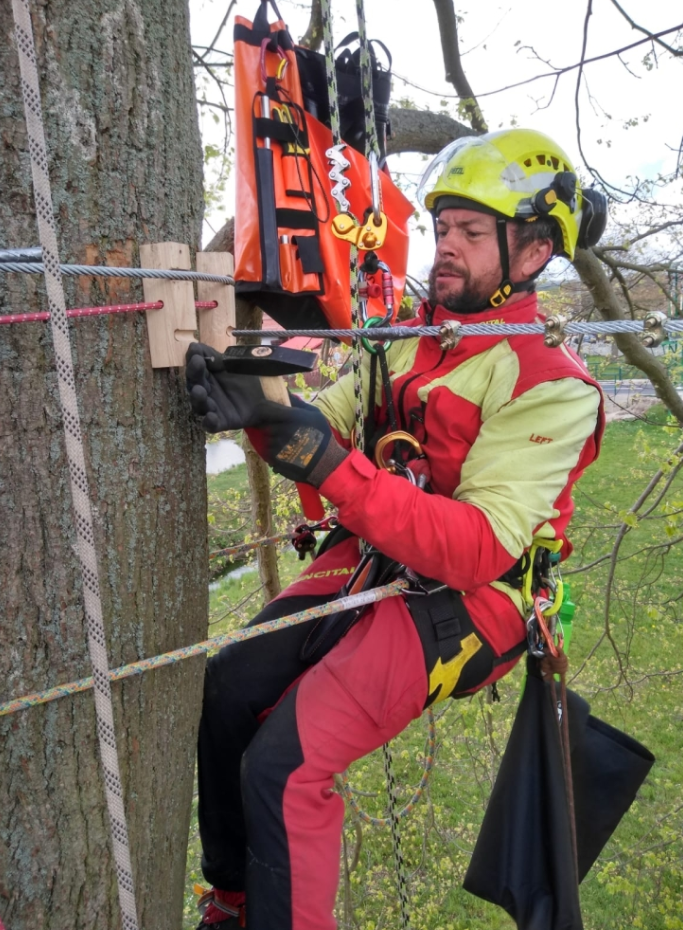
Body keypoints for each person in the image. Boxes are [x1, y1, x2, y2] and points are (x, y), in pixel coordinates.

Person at [185, 129, 605, 930]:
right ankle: (233, 902)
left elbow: (478, 544)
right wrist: (259, 407)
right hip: (378, 558)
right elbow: (330, 424)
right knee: (230, 686)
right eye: (442, 227)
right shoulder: (418, 333)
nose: (444, 248)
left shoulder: (552, 382)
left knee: (287, 764)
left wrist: (324, 460)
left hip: (470, 598)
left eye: (470, 234)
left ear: (531, 252)